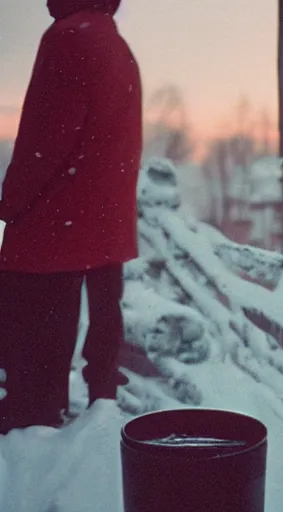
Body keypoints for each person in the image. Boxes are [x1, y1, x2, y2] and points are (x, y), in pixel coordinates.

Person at [0, 0, 142, 433]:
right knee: (96, 318)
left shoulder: (67, 38)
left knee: (34, 319)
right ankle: (96, 401)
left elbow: (44, 136)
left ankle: (33, 418)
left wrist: (11, 203)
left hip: (59, 216)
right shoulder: (116, 45)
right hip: (103, 216)